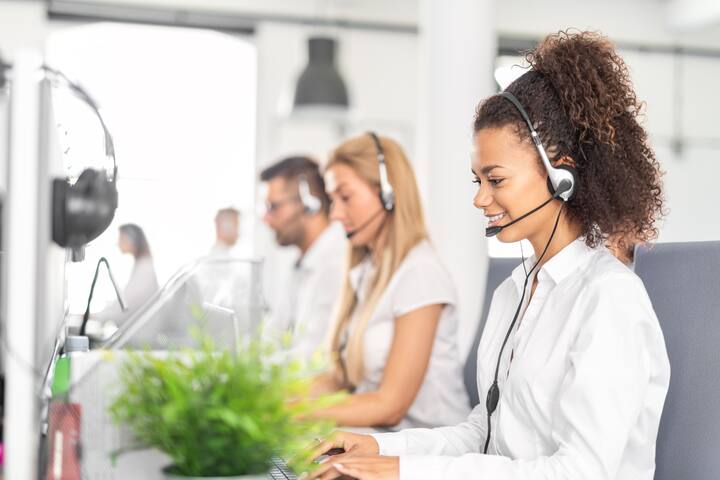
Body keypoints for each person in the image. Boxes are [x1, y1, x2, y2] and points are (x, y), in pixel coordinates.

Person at [310, 31, 670, 480]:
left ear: (562, 175)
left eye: (495, 180)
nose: (481, 200)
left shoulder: (609, 299)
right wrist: (379, 448)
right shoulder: (514, 291)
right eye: (476, 181)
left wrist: (403, 474)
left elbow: (582, 471)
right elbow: (484, 431)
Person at [309, 132, 470, 430]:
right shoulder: (368, 272)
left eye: (345, 197)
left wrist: (293, 415)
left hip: (428, 457)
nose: (335, 214)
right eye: (332, 200)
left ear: (388, 194)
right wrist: (267, 401)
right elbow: (341, 380)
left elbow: (389, 406)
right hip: (378, 447)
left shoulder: (421, 274)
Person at [260, 156, 346, 361]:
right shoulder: (301, 264)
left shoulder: (337, 262)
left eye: (273, 207)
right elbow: (273, 335)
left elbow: (313, 357)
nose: (266, 219)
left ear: (310, 204)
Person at [98, 223, 159, 327]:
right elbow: (125, 299)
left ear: (132, 240)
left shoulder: (144, 269)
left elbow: (127, 305)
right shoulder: (142, 264)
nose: (118, 243)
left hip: (140, 335)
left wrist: (100, 316)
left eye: (121, 238)